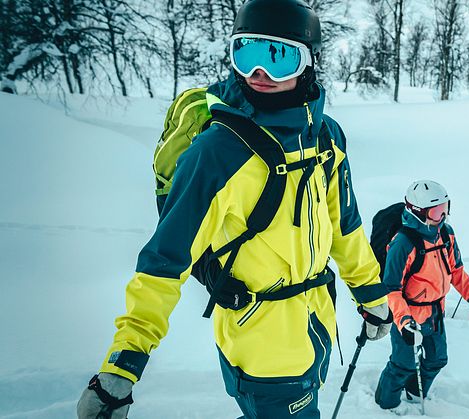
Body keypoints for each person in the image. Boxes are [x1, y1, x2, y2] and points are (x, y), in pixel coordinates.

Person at [76, 1, 392, 418]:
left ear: (308, 64)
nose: (258, 73)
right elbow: (165, 262)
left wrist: (371, 295)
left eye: (278, 57)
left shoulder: (326, 136)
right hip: (261, 344)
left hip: (315, 328)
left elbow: (344, 226)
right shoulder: (218, 152)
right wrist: (125, 363)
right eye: (246, 53)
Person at [374, 180, 469, 410]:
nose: (444, 216)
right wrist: (404, 321)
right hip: (408, 314)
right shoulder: (402, 243)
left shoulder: (446, 235)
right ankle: (386, 405)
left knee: (438, 358)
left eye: (446, 208)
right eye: (438, 211)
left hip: (436, 311)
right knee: (403, 364)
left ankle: (413, 391)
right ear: (418, 212)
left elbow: (456, 272)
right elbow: (391, 289)